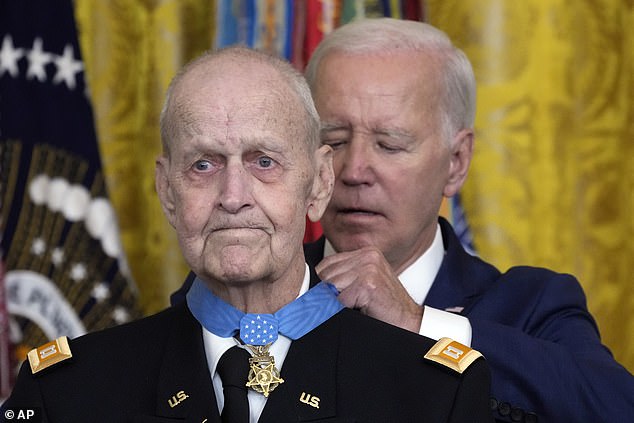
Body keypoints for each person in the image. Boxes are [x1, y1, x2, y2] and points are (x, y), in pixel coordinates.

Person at [170, 18, 634, 422]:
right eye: (335, 139)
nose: (352, 172)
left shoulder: (529, 305)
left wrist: (417, 323)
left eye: (389, 145)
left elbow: (615, 407)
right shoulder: (236, 289)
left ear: (456, 161)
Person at [1, 46, 494, 422]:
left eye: (264, 162)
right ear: (166, 191)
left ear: (319, 184)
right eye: (203, 164)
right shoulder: (64, 392)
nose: (233, 195)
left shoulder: (433, 393)